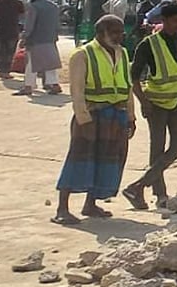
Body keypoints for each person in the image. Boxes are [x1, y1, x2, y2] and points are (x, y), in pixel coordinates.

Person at [53, 15, 136, 225]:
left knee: (108, 160)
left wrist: (130, 116)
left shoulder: (122, 52)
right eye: (114, 32)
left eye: (121, 32)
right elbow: (77, 90)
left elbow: (127, 87)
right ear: (100, 33)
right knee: (79, 158)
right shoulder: (83, 54)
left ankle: (90, 204)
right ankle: (62, 209)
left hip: (116, 115)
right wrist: (84, 119)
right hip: (93, 114)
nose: (119, 36)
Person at [121, 1, 177, 209]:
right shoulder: (149, 44)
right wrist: (143, 102)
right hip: (156, 104)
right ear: (163, 21)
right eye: (175, 21)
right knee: (157, 149)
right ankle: (160, 195)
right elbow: (133, 77)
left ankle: (137, 186)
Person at [16, 0, 63, 96]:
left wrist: (24, 37)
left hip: (35, 40)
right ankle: (54, 84)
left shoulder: (33, 7)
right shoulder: (54, 6)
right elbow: (57, 25)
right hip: (50, 39)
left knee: (31, 64)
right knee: (50, 64)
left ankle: (28, 86)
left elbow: (29, 25)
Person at [0, 0, 24, 78]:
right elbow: (22, 14)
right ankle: (5, 71)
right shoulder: (18, 3)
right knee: (10, 52)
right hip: (13, 30)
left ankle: (0, 68)